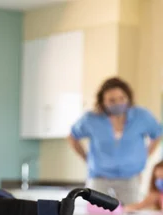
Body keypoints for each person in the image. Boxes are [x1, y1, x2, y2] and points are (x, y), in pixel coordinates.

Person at [68, 77, 162, 205]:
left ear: (128, 97)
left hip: (129, 178)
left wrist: (145, 156)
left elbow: (157, 134)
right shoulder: (91, 119)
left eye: (122, 98)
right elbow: (72, 136)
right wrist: (87, 158)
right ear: (103, 101)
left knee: (129, 214)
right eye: (112, 100)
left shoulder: (141, 116)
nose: (118, 103)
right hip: (100, 177)